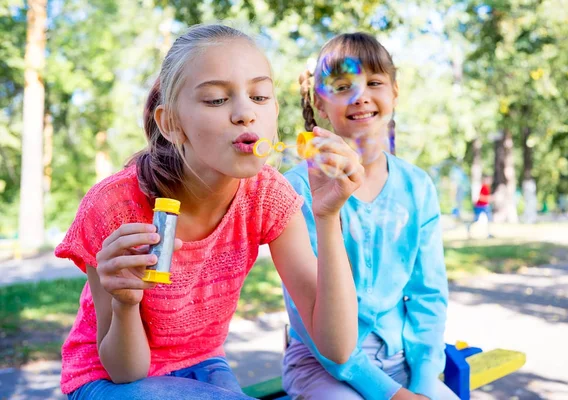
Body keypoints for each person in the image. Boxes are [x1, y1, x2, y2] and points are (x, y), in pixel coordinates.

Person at [55, 24, 363, 400]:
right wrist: (125, 303)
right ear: (170, 123)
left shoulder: (268, 195)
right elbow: (126, 373)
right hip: (102, 378)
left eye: (260, 96)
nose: (245, 113)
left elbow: (337, 347)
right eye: (217, 99)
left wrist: (329, 218)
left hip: (202, 364)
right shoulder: (113, 206)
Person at [282, 32, 457, 400]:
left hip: (402, 360)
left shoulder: (417, 186)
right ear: (320, 102)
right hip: (321, 366)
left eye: (374, 82)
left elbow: (428, 295)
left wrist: (424, 381)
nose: (360, 95)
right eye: (343, 86)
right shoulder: (296, 190)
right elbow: (312, 317)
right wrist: (389, 394)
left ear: (394, 91)